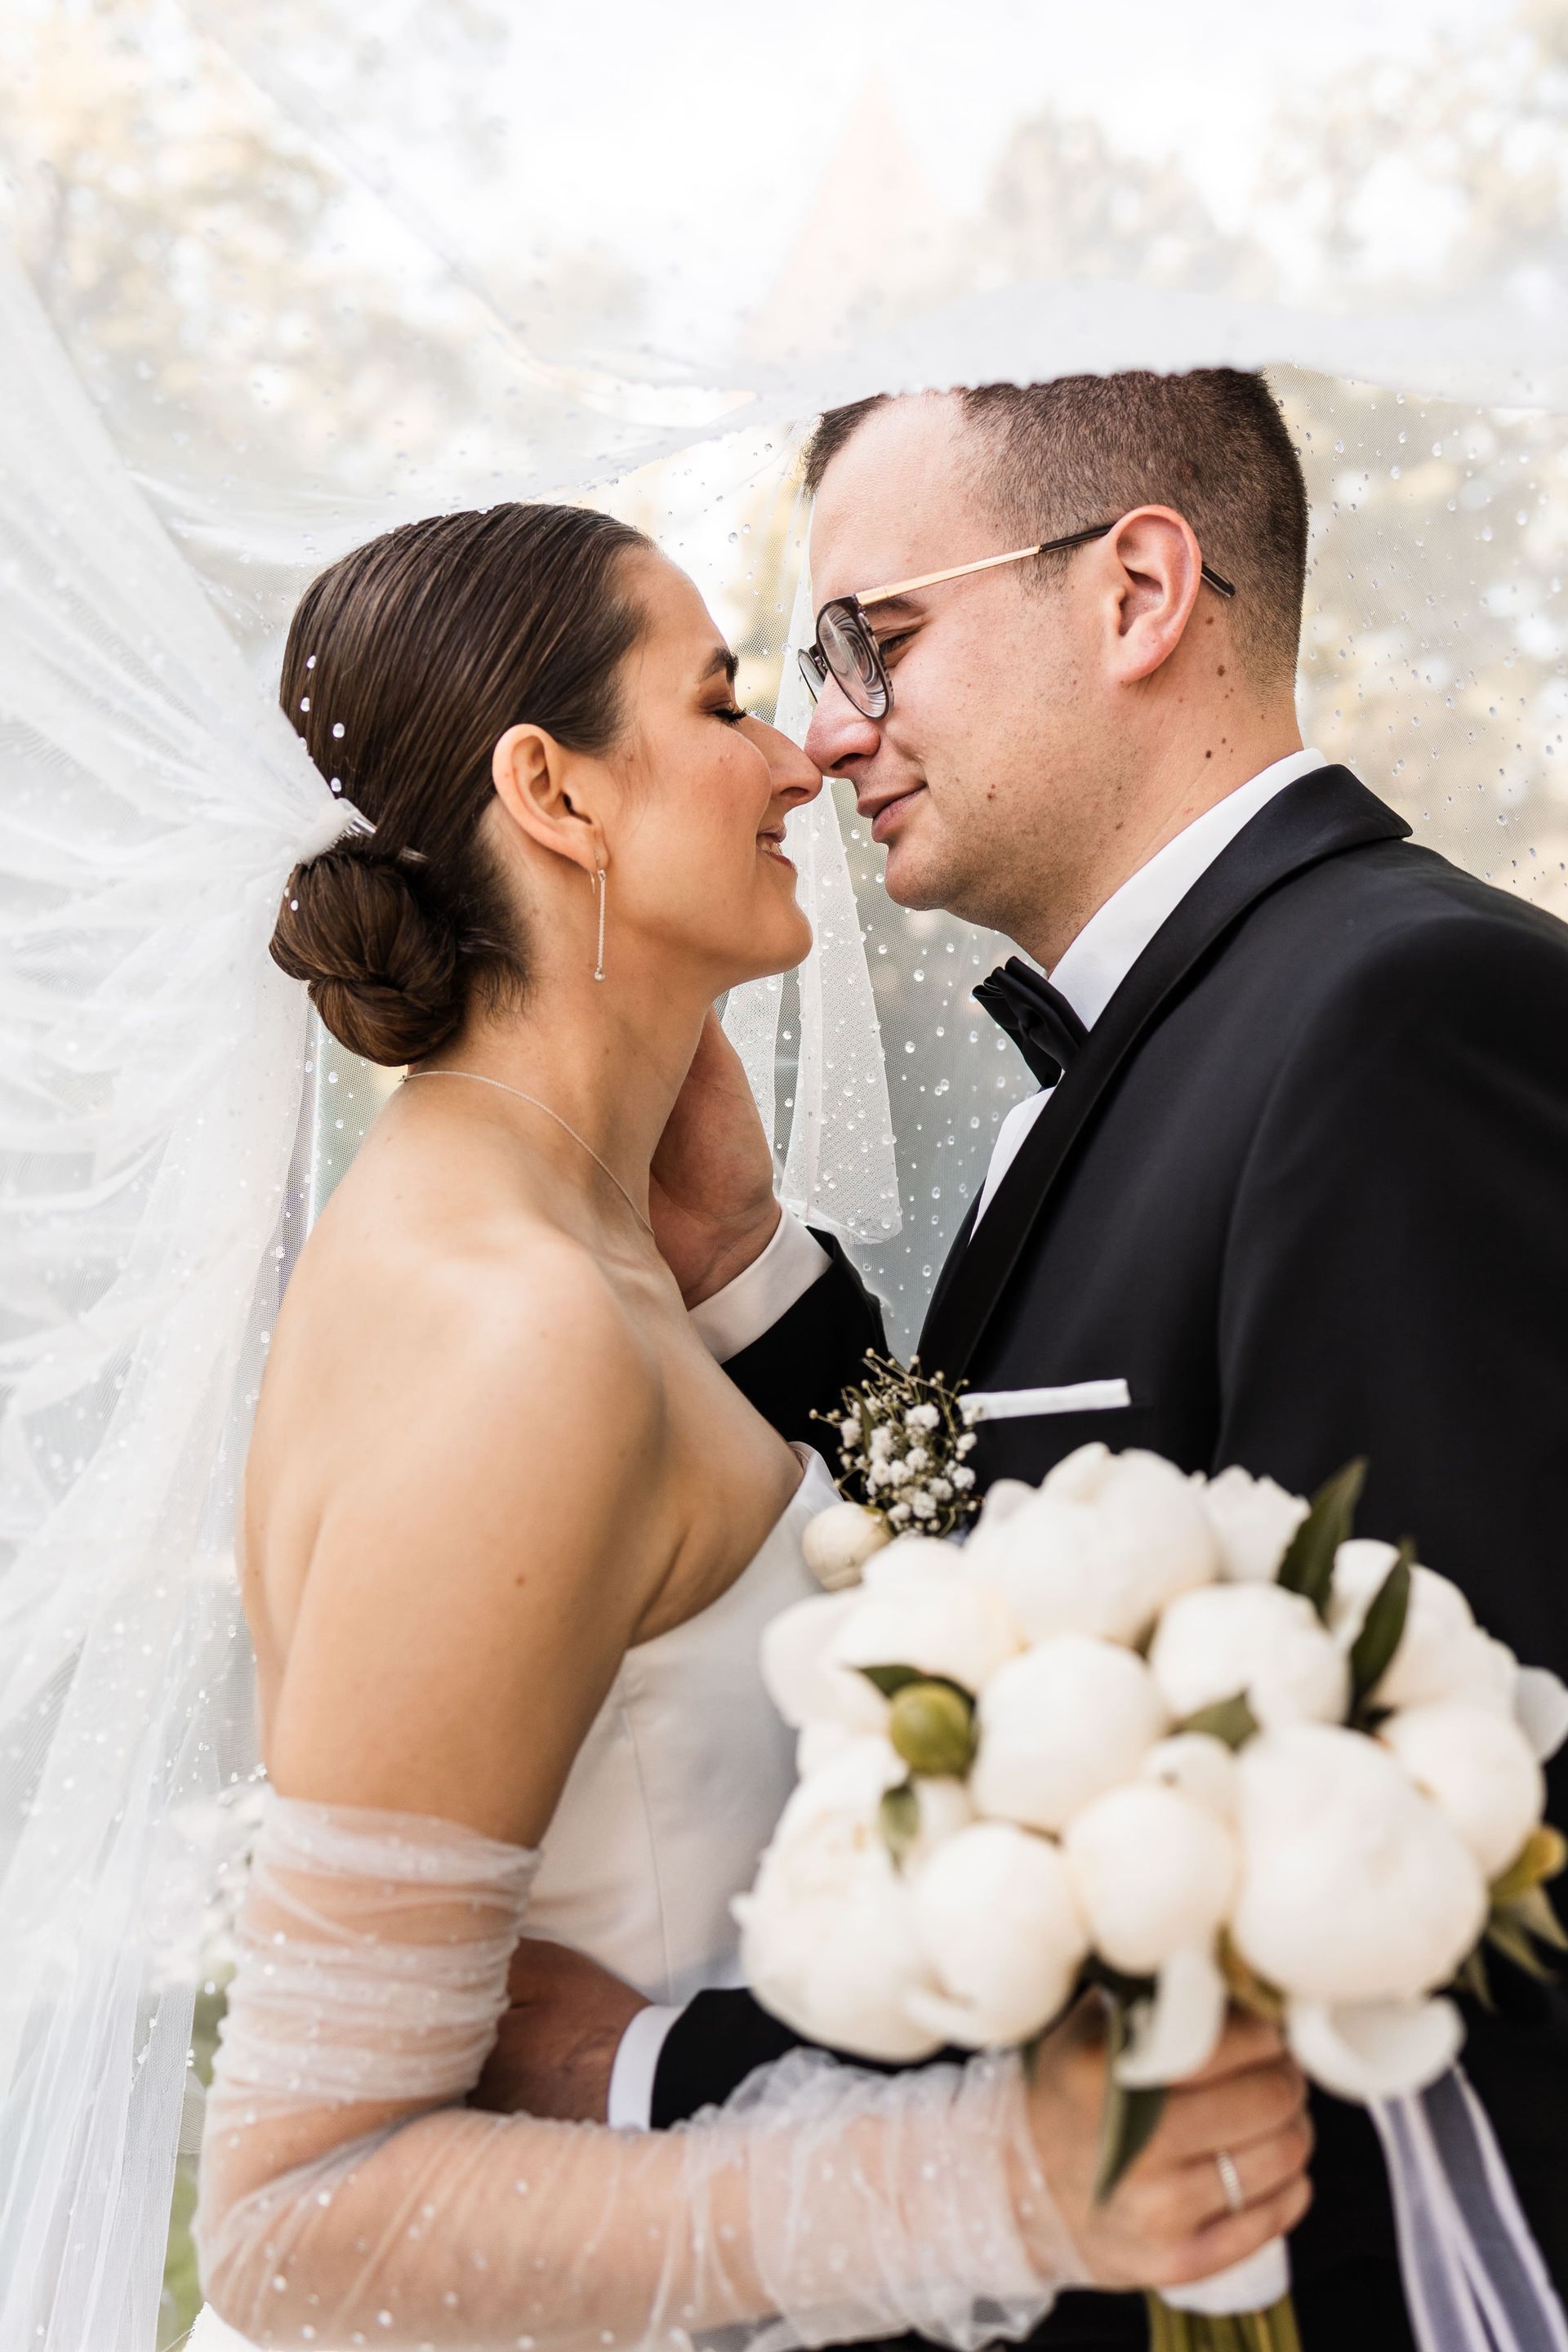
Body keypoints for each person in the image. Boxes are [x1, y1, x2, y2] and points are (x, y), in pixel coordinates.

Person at [500, 372, 1568, 2351]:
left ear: (1140, 590)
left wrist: (657, 2073)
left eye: (874, 642)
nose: (830, 731)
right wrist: (753, 1275)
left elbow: (1377, 1857)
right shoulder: (1148, 1049)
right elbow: (1035, 1572)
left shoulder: (1406, 1019)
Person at [189, 499, 1314, 2350]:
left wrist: (745, 1262)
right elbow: (298, 2223)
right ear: (554, 794)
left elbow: (871, 1580)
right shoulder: (513, 1333)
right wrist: (992, 2185)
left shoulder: (592, 1247)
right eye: (720, 703)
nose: (800, 754)